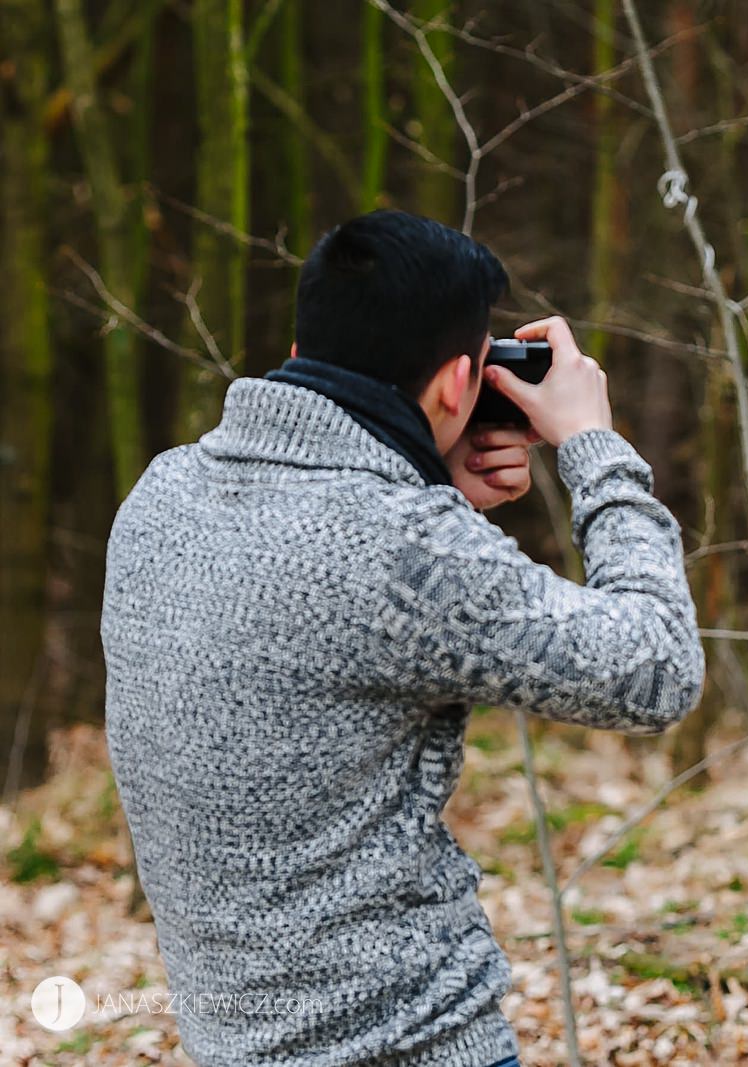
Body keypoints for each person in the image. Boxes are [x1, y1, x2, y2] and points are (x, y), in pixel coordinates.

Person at [101, 210, 705, 1067]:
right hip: (404, 1044)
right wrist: (595, 448)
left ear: (303, 347)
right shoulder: (403, 548)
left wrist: (425, 480)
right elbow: (657, 669)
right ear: (460, 384)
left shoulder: (164, 495)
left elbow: (306, 617)